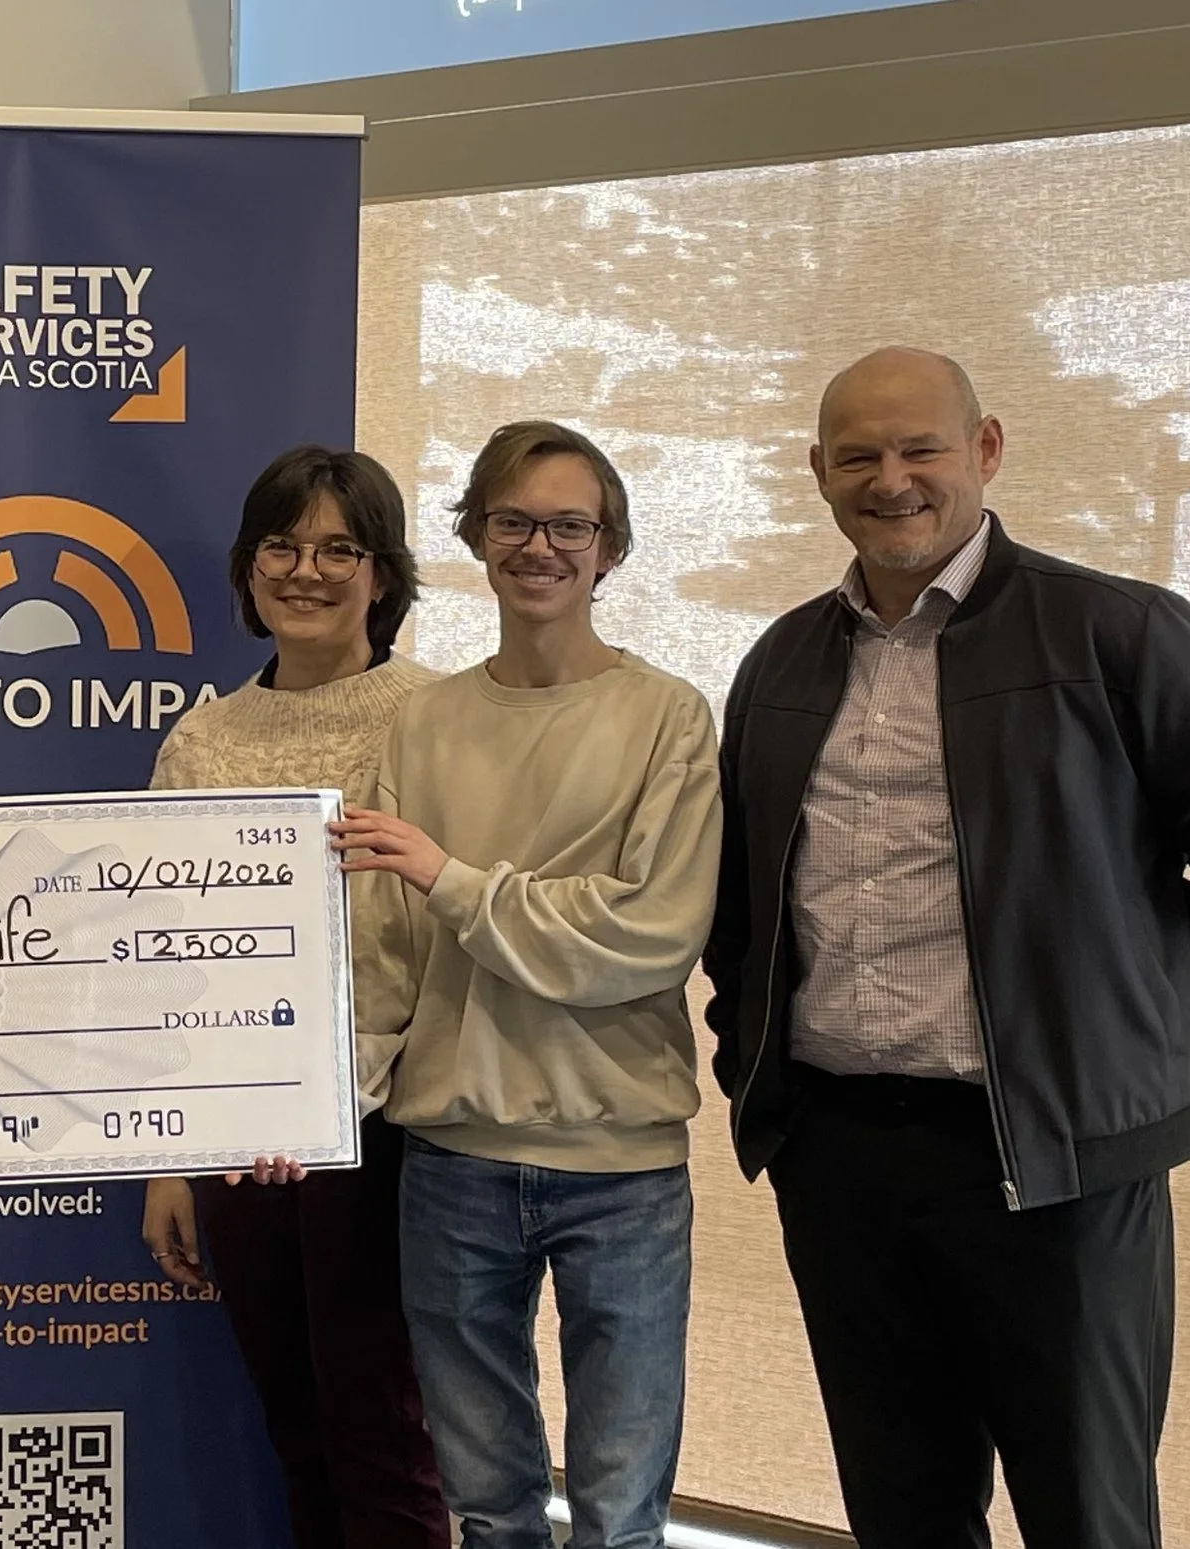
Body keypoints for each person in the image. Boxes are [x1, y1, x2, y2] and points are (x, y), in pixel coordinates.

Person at [703, 347, 1190, 1549]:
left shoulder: (1119, 632)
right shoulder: (781, 660)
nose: (890, 479)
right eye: (857, 455)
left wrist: (1120, 1031)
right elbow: (740, 911)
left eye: (921, 448)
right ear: (817, 471)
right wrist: (750, 1069)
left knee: (1086, 1515)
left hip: (1059, 1169)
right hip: (840, 1159)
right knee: (899, 1509)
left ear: (986, 449)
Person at [333, 421, 720, 1549]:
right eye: (512, 521)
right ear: (476, 536)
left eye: (569, 526)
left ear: (610, 549)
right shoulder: (425, 722)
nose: (539, 546)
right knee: (491, 1512)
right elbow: (383, 955)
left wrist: (455, 880)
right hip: (451, 1156)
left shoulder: (667, 717)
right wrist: (313, 1106)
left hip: (621, 1161)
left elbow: (648, 936)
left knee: (619, 1518)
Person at [138, 446, 448, 1549]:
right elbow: (163, 963)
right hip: (240, 1136)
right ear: (248, 564)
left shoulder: (440, 717)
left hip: (395, 1127)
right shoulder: (201, 740)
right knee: (297, 1430)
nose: (305, 570)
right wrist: (170, 1156)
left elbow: (462, 925)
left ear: (382, 572)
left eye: (337, 548)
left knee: (388, 1438)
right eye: (281, 545)